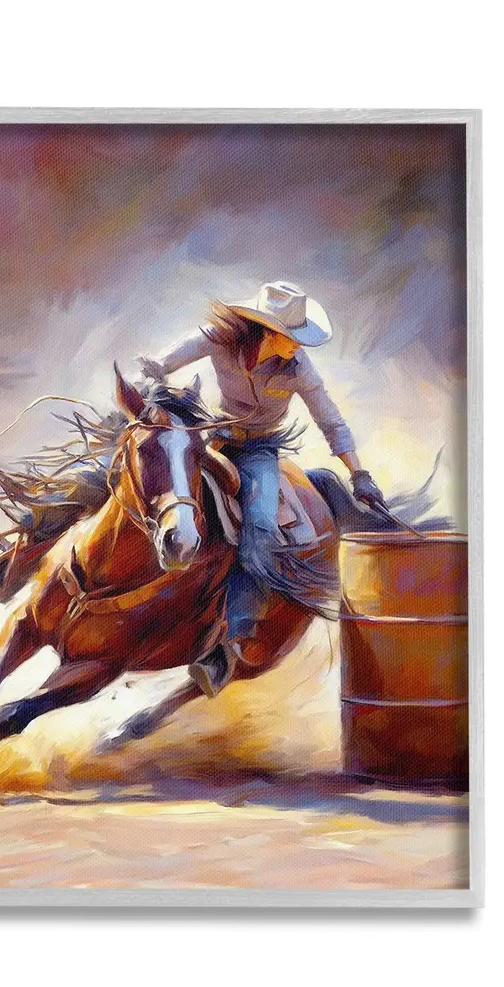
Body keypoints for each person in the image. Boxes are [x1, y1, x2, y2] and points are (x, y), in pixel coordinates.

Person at [138, 280, 386, 697]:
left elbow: (330, 420)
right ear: (267, 330)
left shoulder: (298, 368)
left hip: (258, 452)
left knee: (259, 529)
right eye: (291, 336)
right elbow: (171, 357)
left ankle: (228, 647)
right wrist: (155, 368)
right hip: (211, 441)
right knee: (145, 476)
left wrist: (359, 474)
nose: (297, 345)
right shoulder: (222, 340)